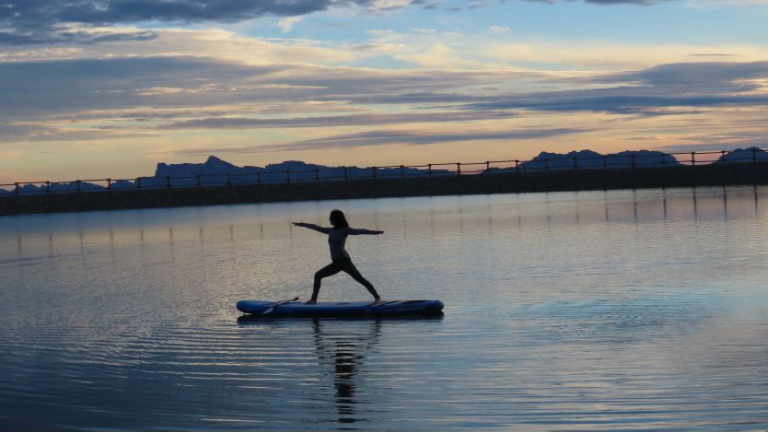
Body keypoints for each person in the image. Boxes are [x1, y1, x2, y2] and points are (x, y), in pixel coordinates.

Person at [293, 209, 384, 305]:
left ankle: (378, 298)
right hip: (336, 263)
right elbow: (316, 227)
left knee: (360, 279)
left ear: (337, 219)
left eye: (331, 217)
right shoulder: (330, 230)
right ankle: (313, 300)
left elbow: (360, 231)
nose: (329, 219)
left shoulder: (345, 230)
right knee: (318, 275)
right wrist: (303, 224)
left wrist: (374, 232)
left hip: (344, 261)